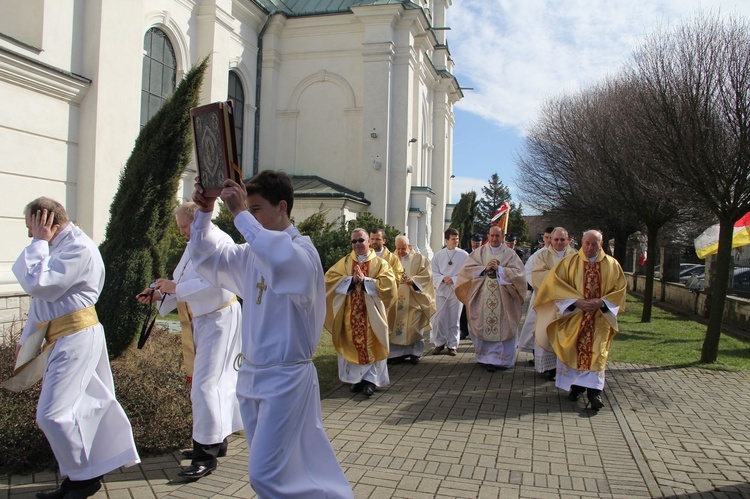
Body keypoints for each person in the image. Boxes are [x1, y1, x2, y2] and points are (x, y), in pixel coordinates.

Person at [190, 172, 353, 497]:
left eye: (255, 209)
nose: (249, 216)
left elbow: (280, 261)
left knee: (264, 475)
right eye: (247, 209)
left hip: (286, 380)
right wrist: (205, 211)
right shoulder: (252, 253)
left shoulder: (302, 253)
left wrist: (238, 214)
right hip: (251, 377)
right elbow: (206, 257)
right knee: (296, 466)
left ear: (282, 208)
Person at [5, 197, 139, 499]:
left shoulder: (79, 247)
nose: (30, 235)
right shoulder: (59, 247)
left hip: (77, 337)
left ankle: (85, 479)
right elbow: (41, 304)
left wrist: (39, 242)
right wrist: (26, 342)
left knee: (51, 415)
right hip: (62, 339)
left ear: (45, 221)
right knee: (80, 409)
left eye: (32, 227)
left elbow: (40, 285)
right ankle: (78, 478)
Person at [136, 202, 242, 480]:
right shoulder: (196, 241)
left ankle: (204, 455)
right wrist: (161, 294)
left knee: (206, 385)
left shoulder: (219, 241)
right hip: (203, 318)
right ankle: (214, 441)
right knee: (210, 384)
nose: (182, 232)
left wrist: (175, 289)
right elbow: (182, 281)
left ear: (198, 222)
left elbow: (217, 284)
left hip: (219, 318)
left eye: (184, 226)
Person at [534, 230, 626, 410]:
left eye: (594, 244)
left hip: (599, 320)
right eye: (587, 243)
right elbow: (554, 285)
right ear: (581, 243)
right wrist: (576, 302)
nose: (590, 248)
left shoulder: (612, 265)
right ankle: (576, 387)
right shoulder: (569, 263)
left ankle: (595, 393)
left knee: (597, 354)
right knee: (574, 351)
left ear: (601, 243)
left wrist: (601, 302)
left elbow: (620, 290)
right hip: (575, 317)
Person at [325, 228, 397, 396]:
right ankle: (355, 380)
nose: (357, 244)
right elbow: (329, 279)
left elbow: (389, 285)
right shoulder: (344, 262)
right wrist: (350, 280)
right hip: (350, 312)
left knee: (372, 343)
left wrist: (366, 281)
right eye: (354, 241)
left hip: (371, 313)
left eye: (361, 240)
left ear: (369, 242)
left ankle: (370, 381)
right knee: (352, 344)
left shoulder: (381, 264)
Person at [456, 226, 526, 372]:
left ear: (503, 237)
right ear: (488, 235)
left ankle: (501, 360)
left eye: (497, 236)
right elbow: (466, 271)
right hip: (483, 295)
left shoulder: (510, 254)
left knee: (503, 325)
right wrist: (485, 269)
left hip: (504, 298)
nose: (494, 239)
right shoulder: (479, 252)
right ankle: (485, 358)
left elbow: (519, 274)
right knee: (482, 323)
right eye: (492, 236)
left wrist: (500, 270)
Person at [530, 227, 577, 381]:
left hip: (570, 303)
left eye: (562, 240)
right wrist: (558, 279)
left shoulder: (576, 256)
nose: (558, 242)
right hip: (549, 302)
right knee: (546, 333)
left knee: (566, 335)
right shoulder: (542, 255)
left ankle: (564, 367)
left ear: (567, 240)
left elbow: (579, 277)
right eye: (556, 239)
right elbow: (537, 275)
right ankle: (550, 368)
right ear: (551, 239)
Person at [388, 236, 436, 365]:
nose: (400, 252)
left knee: (414, 327)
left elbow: (427, 276)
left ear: (409, 246)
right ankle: (397, 354)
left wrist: (414, 281)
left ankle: (415, 353)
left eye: (403, 248)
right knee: (395, 327)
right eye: (398, 248)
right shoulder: (391, 259)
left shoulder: (419, 259)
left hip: (415, 298)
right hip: (396, 299)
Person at [430, 228, 469, 356]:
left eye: (457, 239)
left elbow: (467, 272)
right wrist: (442, 279)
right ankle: (439, 343)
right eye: (453, 239)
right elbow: (432, 271)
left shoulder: (464, 255)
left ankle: (452, 345)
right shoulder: (439, 255)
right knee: (440, 318)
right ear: (447, 240)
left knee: (454, 318)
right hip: (442, 290)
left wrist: (454, 279)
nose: (456, 241)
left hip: (456, 291)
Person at [517, 226, 554, 359]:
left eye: (551, 237)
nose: (549, 240)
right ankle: (536, 354)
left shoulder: (565, 254)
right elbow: (527, 272)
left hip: (558, 298)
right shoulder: (538, 255)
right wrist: (540, 285)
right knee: (536, 323)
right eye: (546, 237)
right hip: (540, 294)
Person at [369, 227, 404, 332]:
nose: (374, 242)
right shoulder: (364, 256)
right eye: (372, 239)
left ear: (384, 240)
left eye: (378, 239)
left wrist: (380, 284)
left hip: (385, 298)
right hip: (368, 296)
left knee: (383, 329)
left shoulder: (393, 258)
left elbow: (398, 277)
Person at [460, 233, 484, 339]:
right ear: (471, 242)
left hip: (480, 283)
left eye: (478, 243)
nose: (476, 245)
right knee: (465, 308)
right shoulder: (466, 253)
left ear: (481, 243)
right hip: (468, 283)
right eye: (474, 242)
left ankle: (477, 331)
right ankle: (464, 330)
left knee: (479, 308)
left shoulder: (485, 253)